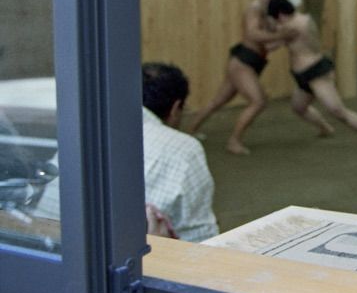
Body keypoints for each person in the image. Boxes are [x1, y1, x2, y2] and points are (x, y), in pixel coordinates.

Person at [31, 63, 218, 243]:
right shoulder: (183, 148)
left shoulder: (85, 127)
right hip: (120, 264)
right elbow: (200, 238)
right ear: (176, 108)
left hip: (43, 246)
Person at [186, 0, 292, 155]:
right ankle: (234, 142)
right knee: (258, 101)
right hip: (243, 62)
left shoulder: (267, 13)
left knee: (218, 101)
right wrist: (281, 36)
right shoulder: (255, 9)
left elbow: (265, 45)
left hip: (252, 62)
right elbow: (253, 35)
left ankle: (190, 132)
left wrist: (283, 40)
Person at [267, 0, 357, 148]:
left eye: (276, 18)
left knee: (337, 110)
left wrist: (267, 30)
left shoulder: (294, 25)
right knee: (299, 107)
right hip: (302, 75)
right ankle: (325, 128)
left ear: (280, 15)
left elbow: (272, 45)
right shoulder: (301, 19)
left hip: (316, 72)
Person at [140, 62, 218, 242]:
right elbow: (198, 234)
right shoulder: (184, 148)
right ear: (176, 108)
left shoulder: (89, 129)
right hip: (151, 257)